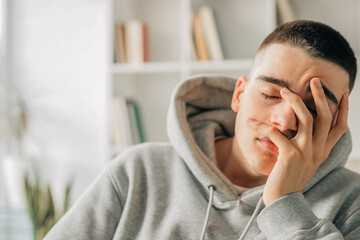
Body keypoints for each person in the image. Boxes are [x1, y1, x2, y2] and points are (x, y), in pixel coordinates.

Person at [44, 20, 360, 239]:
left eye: (313, 109)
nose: (285, 121)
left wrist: (285, 203)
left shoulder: (351, 202)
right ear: (239, 95)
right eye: (270, 94)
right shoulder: (137, 172)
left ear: (336, 123)